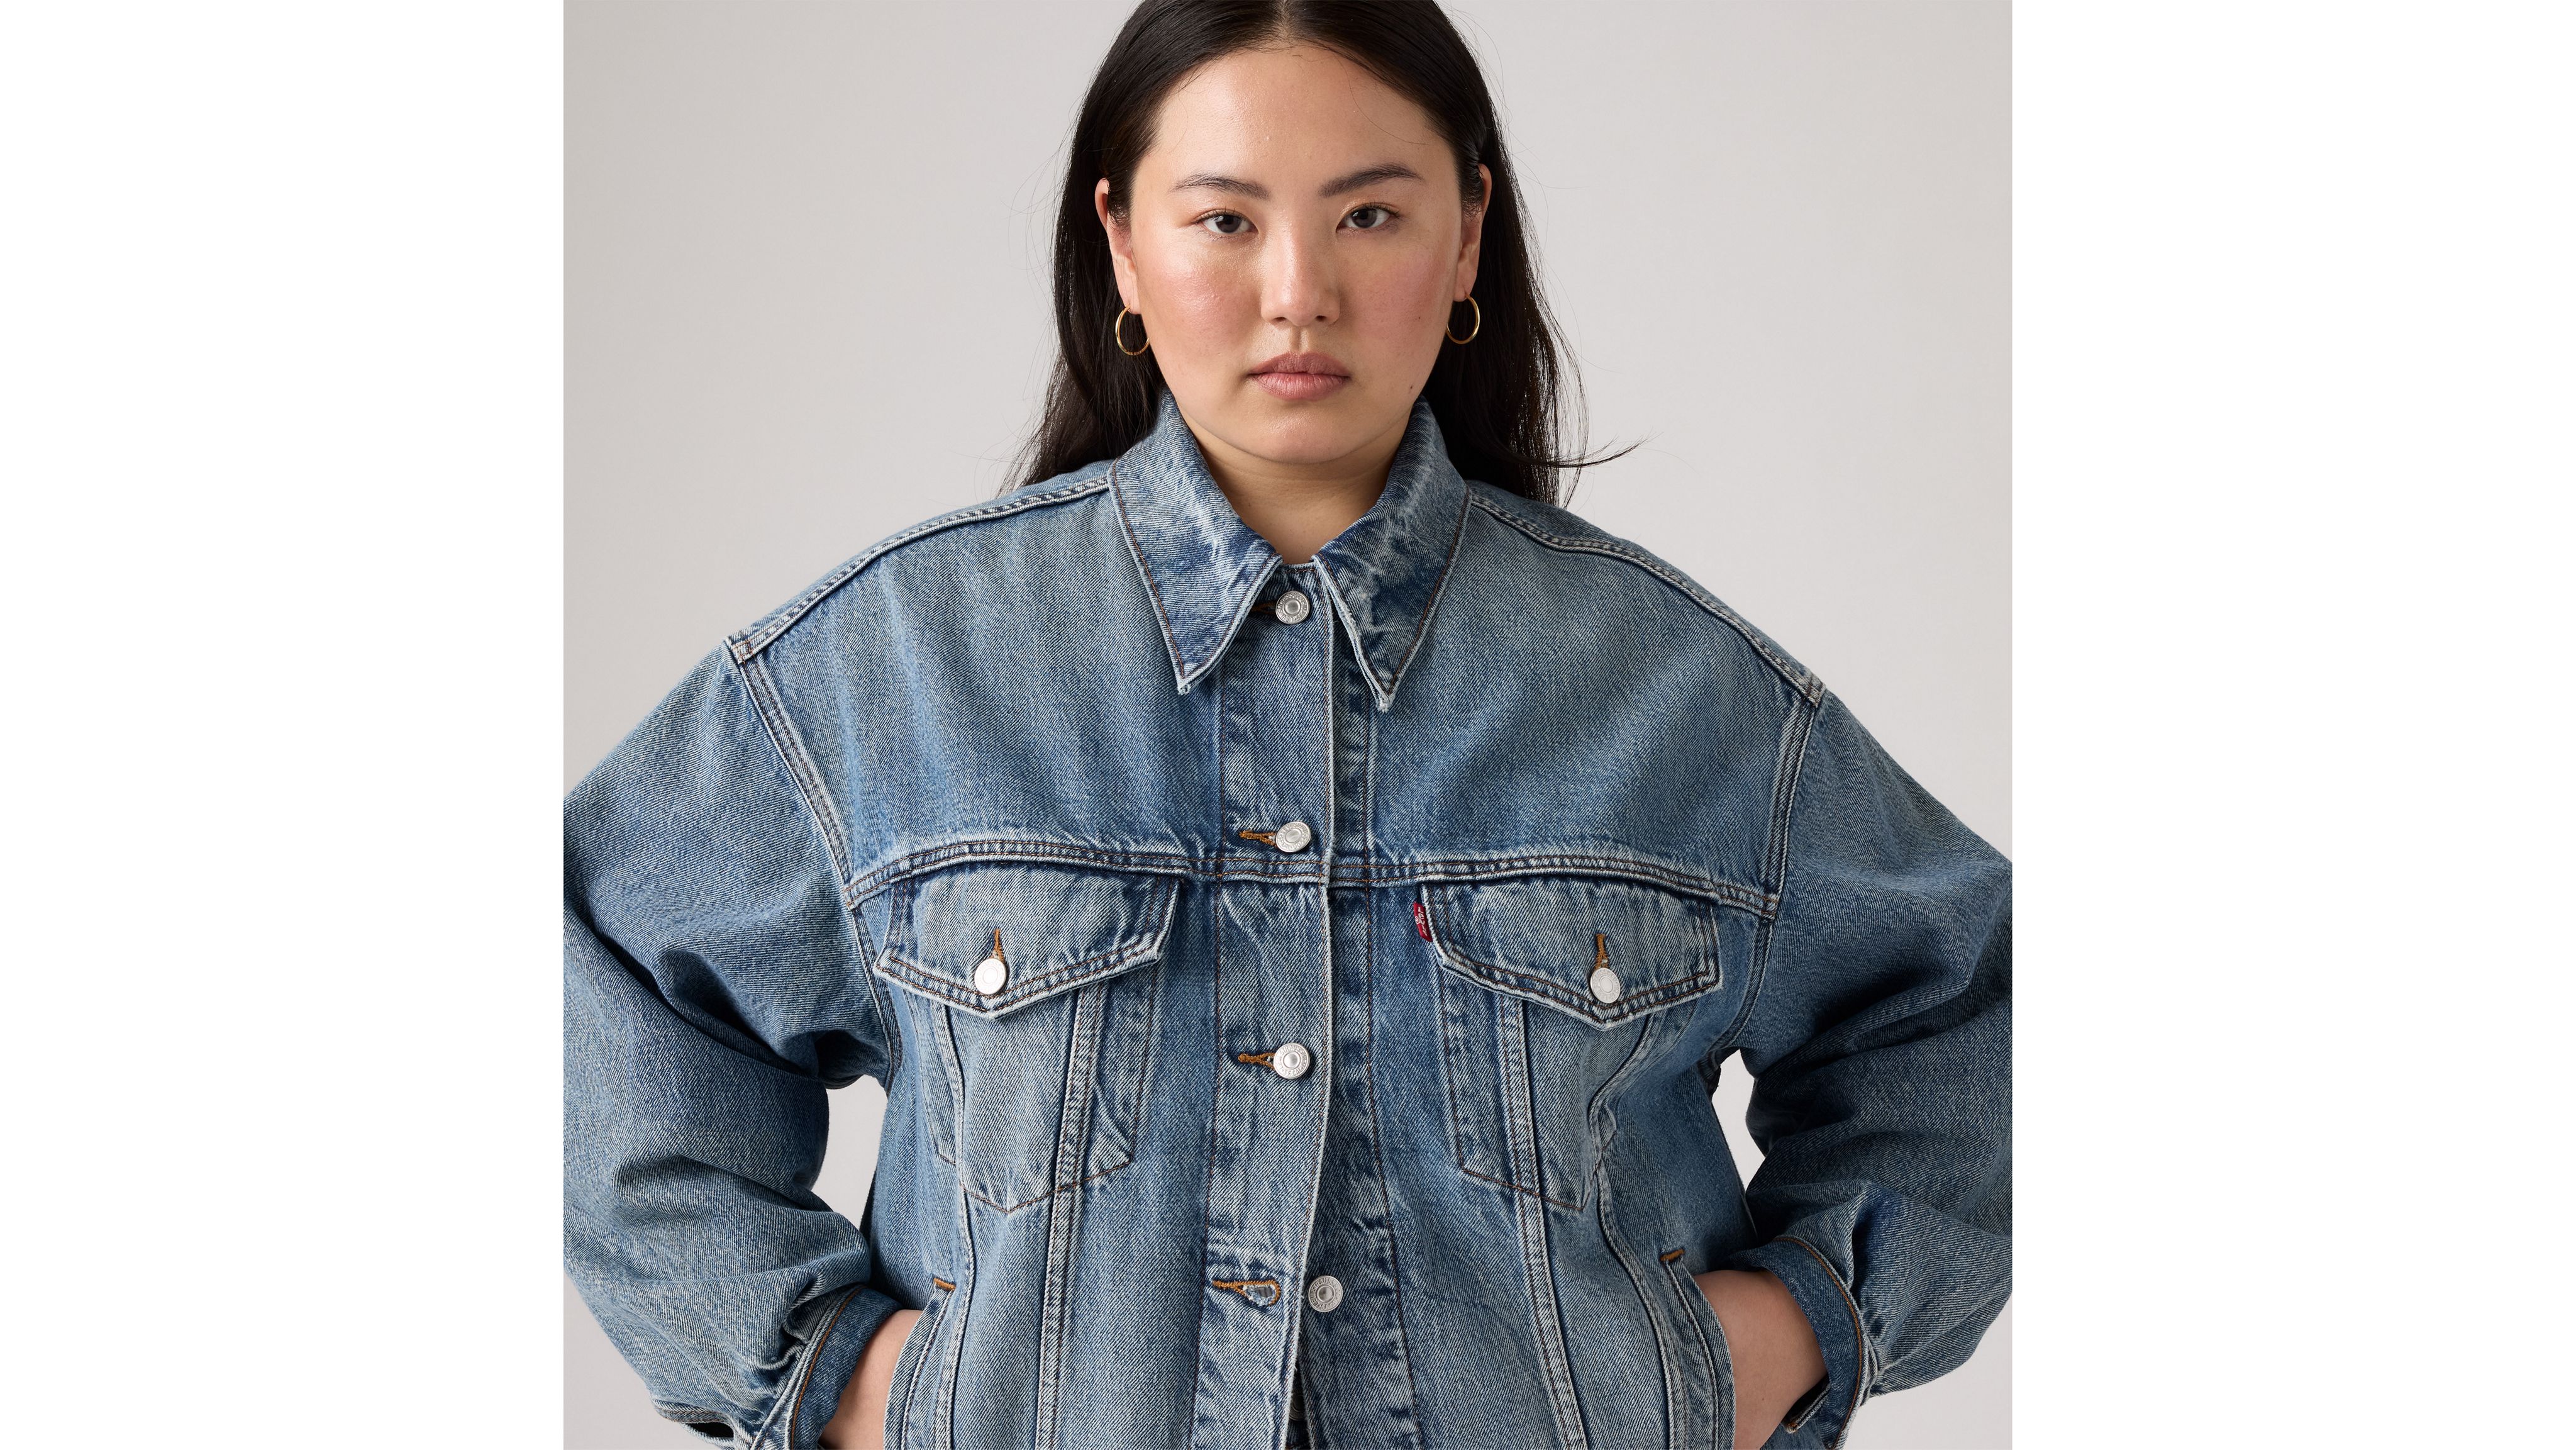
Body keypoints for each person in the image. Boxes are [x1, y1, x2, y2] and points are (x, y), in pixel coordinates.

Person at [563, 2, 2011, 1447]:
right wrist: (844, 1378)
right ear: (1123, 244)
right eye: (1224, 220)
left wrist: (1782, 1333)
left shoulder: (1676, 692)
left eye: (1368, 215)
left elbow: (1965, 1014)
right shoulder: (894, 669)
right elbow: (607, 1000)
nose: (1298, 292)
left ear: (1466, 238)